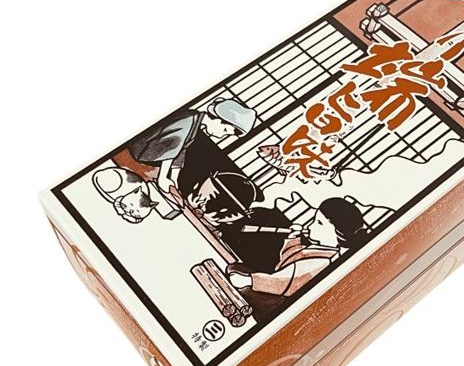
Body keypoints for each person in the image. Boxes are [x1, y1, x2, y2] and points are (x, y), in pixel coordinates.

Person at [227, 197, 369, 298]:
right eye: (314, 220)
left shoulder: (324, 262)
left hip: (275, 295)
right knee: (235, 268)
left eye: (319, 223)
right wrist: (293, 239)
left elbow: (289, 281)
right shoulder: (318, 249)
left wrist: (249, 281)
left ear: (339, 235)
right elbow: (286, 262)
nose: (310, 226)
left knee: (240, 281)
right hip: (274, 282)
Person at [128, 98, 256, 193]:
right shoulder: (188, 120)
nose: (221, 136)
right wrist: (163, 177)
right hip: (140, 150)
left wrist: (174, 179)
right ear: (219, 119)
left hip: (147, 154)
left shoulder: (194, 122)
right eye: (225, 130)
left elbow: (180, 152)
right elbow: (172, 148)